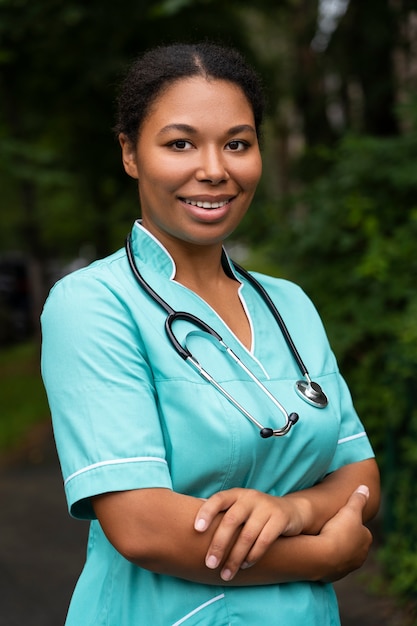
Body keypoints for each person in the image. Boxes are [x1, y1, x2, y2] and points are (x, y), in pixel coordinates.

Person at [41, 42, 380, 626]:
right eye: (180, 143)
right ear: (130, 154)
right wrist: (324, 551)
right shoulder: (92, 305)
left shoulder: (289, 304)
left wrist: (293, 509)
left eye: (237, 144)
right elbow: (144, 527)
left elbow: (359, 475)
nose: (215, 169)